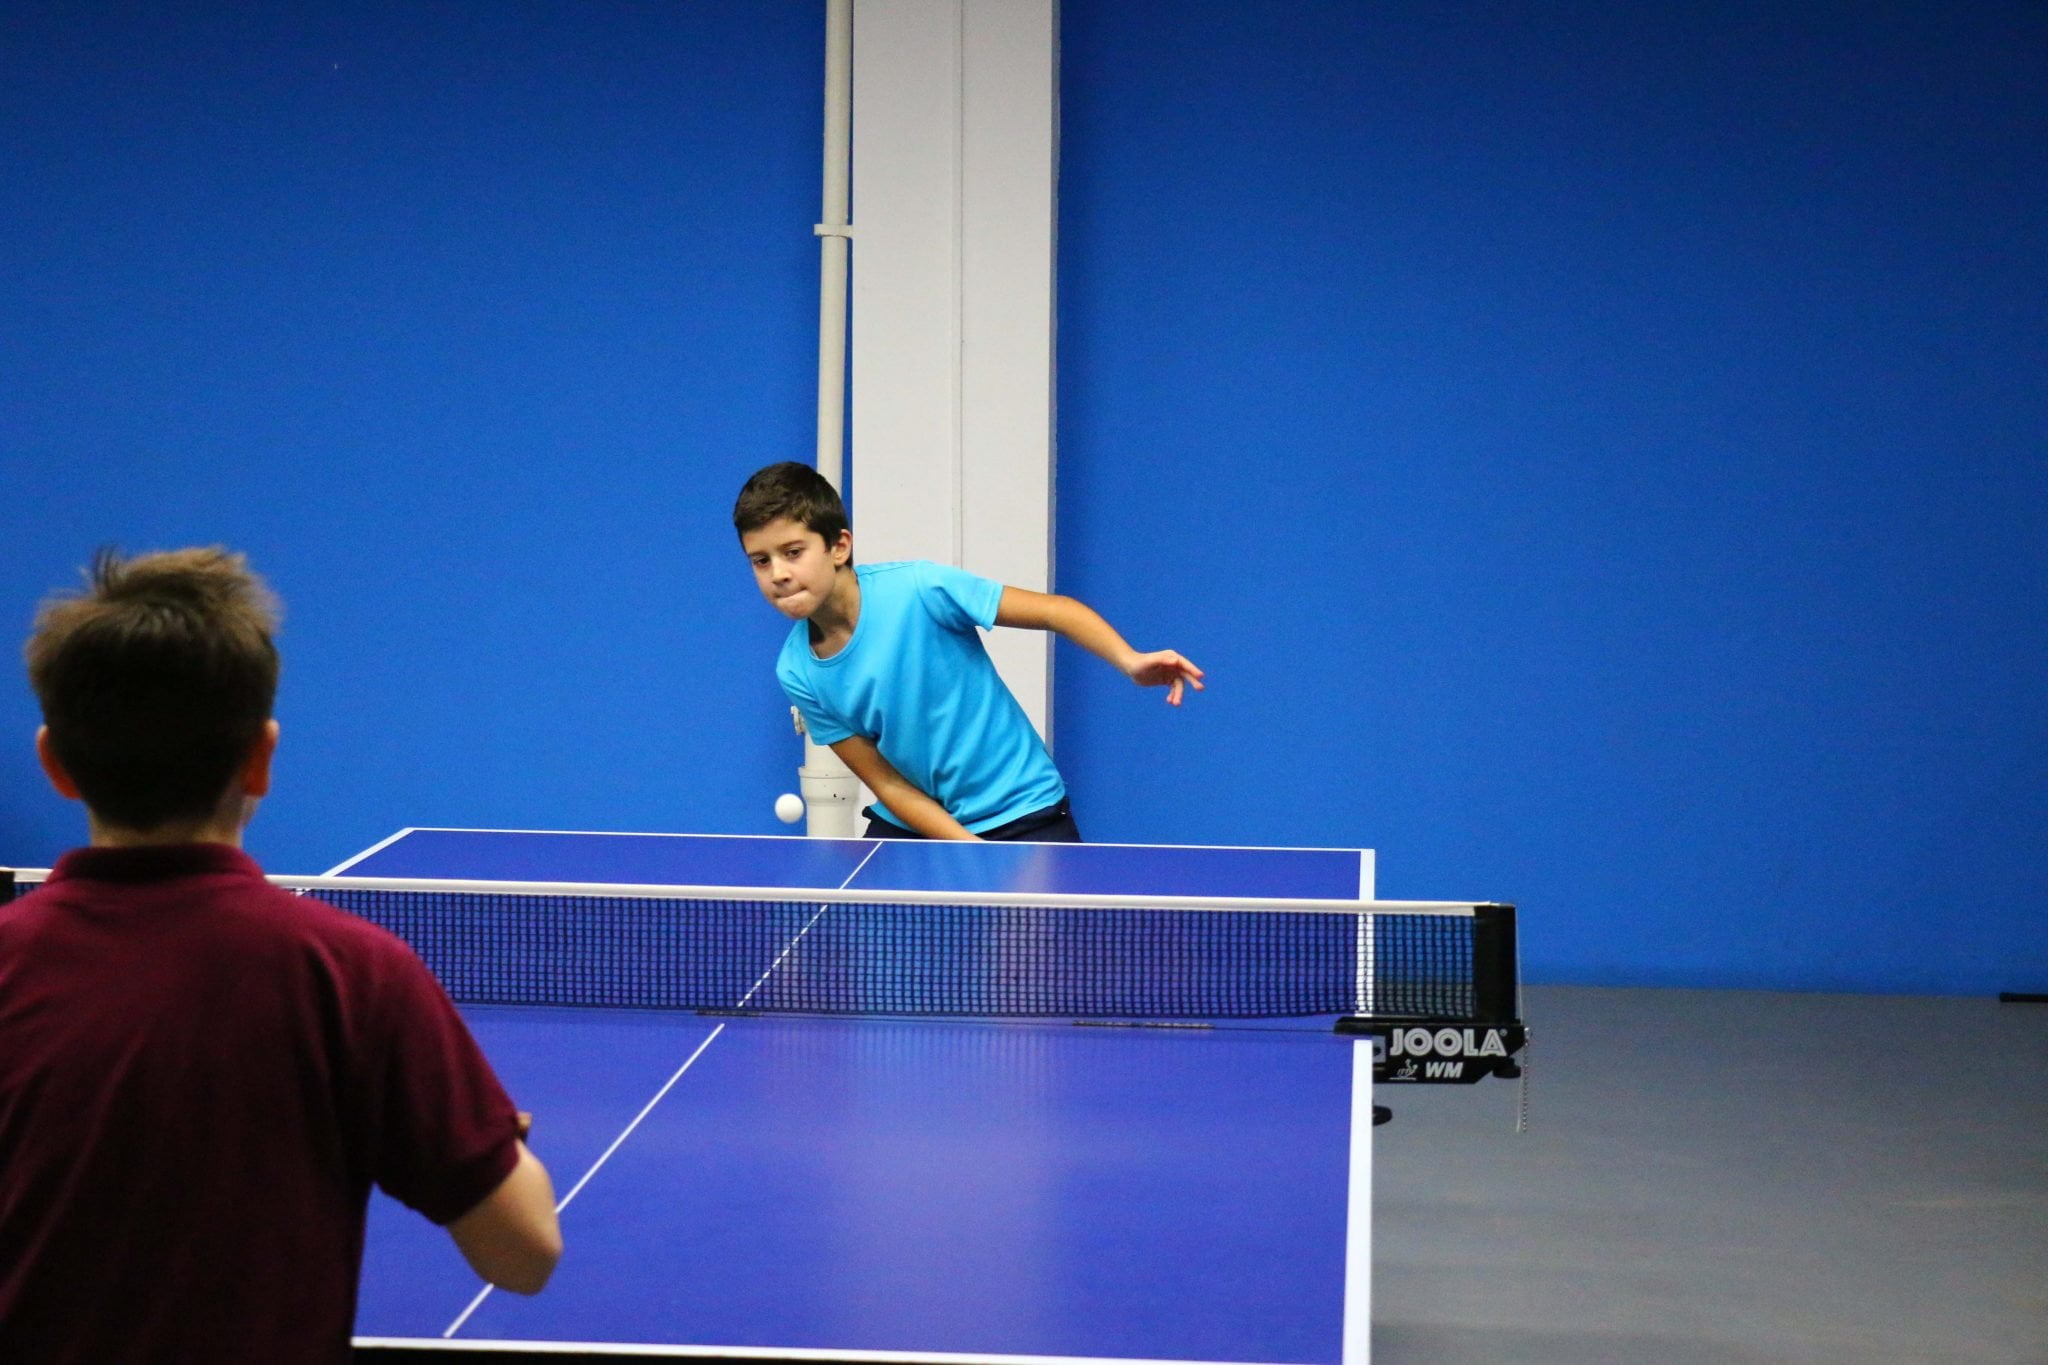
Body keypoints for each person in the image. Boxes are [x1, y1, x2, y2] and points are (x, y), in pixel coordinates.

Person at [0, 547, 562, 1364]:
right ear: (262, 756)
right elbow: (525, 1253)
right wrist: (489, 1142)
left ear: (53, 762)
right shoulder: (354, 975)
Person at [734, 462, 1202, 840]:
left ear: (839, 546)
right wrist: (967, 849)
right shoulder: (798, 670)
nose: (778, 573)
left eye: (793, 552)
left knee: (1043, 937)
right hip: (919, 824)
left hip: (1021, 810)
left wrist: (1129, 660)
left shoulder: (919, 589)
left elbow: (1055, 611)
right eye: (761, 560)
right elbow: (887, 783)